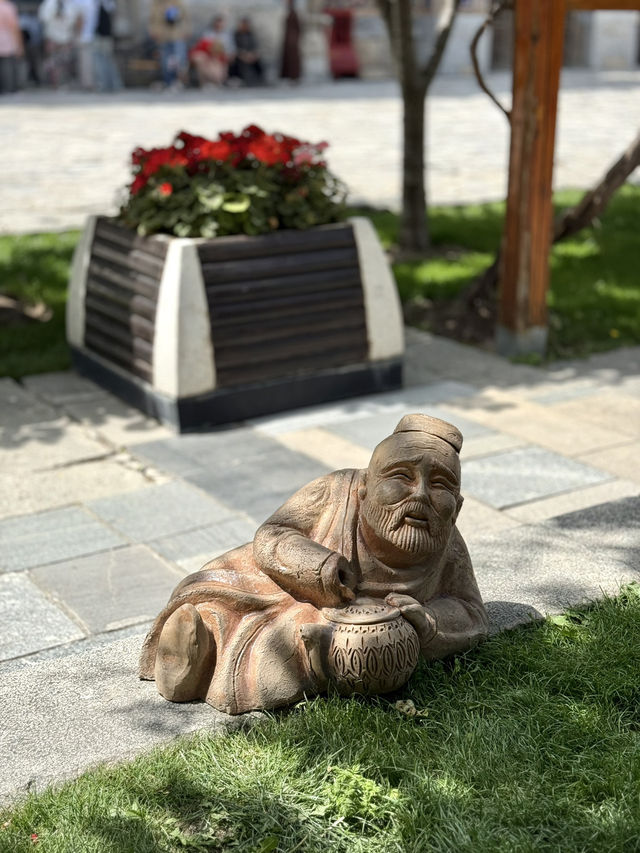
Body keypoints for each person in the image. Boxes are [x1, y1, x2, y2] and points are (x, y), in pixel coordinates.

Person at [140, 413, 489, 715]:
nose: (421, 494)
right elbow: (273, 534)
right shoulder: (334, 491)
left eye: (440, 485)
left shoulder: (447, 544)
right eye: (402, 477)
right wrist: (320, 566)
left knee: (302, 640)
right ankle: (193, 648)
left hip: (347, 628)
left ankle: (217, 665)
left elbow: (471, 611)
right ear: (364, 487)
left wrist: (428, 621)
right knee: (233, 606)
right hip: (291, 586)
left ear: (456, 508)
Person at [38, 0, 80, 87]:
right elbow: (43, 19)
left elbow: (75, 20)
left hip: (66, 38)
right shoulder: (48, 3)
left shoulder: (70, 4)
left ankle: (63, 82)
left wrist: (73, 37)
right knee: (52, 62)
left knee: (65, 62)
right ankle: (54, 83)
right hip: (52, 38)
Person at [148, 0, 189, 89]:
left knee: (179, 58)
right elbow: (152, 19)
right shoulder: (156, 4)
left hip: (177, 35)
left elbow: (186, 17)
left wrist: (187, 30)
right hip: (163, 36)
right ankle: (169, 81)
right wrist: (153, 31)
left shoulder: (178, 3)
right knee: (165, 60)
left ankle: (178, 81)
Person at [189, 14, 232, 88]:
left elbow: (229, 49)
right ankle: (203, 83)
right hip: (208, 55)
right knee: (200, 60)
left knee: (216, 69)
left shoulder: (227, 35)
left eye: (221, 24)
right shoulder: (207, 34)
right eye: (217, 23)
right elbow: (202, 46)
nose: (219, 25)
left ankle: (217, 81)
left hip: (220, 57)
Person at [92, 0, 121, 92]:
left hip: (105, 37)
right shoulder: (97, 4)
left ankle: (113, 84)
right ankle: (106, 84)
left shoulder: (108, 4)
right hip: (98, 36)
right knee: (101, 61)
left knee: (107, 61)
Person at [229, 16, 263, 86]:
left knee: (258, 62)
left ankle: (260, 79)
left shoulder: (251, 35)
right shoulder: (236, 35)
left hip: (250, 55)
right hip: (240, 55)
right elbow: (233, 47)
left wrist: (253, 54)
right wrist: (243, 54)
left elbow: (255, 46)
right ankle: (237, 79)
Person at [0, 0, 23, 93]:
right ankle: (8, 88)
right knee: (7, 66)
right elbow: (14, 27)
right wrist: (19, 45)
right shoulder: (8, 7)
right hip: (6, 41)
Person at [279, 0, 300, 82]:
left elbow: (298, 27)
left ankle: (294, 76)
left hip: (292, 40)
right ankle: (289, 75)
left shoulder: (294, 13)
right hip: (288, 39)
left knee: (293, 59)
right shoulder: (289, 12)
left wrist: (294, 37)